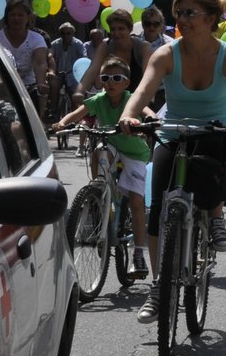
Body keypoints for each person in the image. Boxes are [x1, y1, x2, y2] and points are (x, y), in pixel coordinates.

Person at [121, 0, 226, 327]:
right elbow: (144, 90)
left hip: (214, 130)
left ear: (211, 18)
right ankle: (158, 287)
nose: (182, 19)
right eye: (179, 13)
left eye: (190, 13)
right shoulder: (166, 54)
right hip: (174, 129)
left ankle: (216, 218)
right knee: (156, 209)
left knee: (212, 168)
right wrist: (128, 114)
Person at [49, 57, 154, 277]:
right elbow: (78, 113)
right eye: (105, 78)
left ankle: (138, 255)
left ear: (126, 83)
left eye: (117, 78)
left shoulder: (131, 99)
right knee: (99, 148)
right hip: (111, 146)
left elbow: (148, 113)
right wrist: (62, 123)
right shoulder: (99, 99)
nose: (110, 83)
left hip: (135, 152)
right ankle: (100, 186)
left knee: (136, 201)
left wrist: (150, 123)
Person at [75, 8, 152, 109]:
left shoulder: (143, 47)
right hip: (114, 99)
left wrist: (145, 100)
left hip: (139, 98)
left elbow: (148, 78)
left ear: (130, 29)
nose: (116, 33)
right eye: (113, 29)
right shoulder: (105, 46)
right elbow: (93, 69)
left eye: (121, 29)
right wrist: (79, 91)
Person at [0, 0, 49, 121]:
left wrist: (41, 82)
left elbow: (40, 63)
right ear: (7, 17)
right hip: (3, 87)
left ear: (28, 18)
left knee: (32, 122)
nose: (16, 18)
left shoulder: (37, 38)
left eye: (20, 15)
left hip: (28, 87)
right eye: (12, 15)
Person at [48, 23, 86, 120]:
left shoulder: (78, 44)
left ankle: (76, 117)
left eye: (68, 33)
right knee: (53, 87)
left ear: (73, 33)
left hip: (72, 74)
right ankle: (52, 111)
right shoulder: (55, 44)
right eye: (63, 33)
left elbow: (84, 58)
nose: (66, 36)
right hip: (58, 73)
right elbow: (50, 56)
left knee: (75, 95)